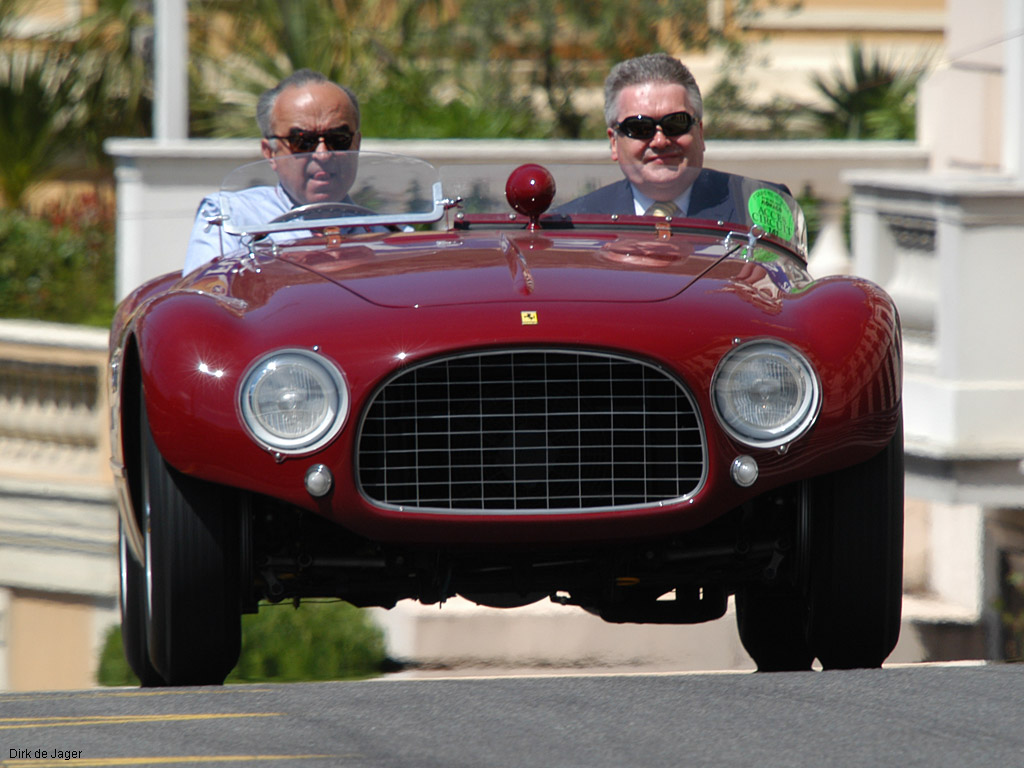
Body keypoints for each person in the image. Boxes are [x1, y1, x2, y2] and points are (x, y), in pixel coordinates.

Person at [554, 53, 785, 221]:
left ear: (700, 133)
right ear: (614, 142)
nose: (660, 141)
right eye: (640, 128)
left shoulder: (759, 210)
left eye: (675, 124)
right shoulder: (577, 224)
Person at [183, 69, 363, 275]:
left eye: (338, 139)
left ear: (356, 144)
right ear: (270, 153)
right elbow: (209, 298)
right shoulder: (231, 219)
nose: (322, 155)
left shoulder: (388, 232)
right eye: (303, 141)